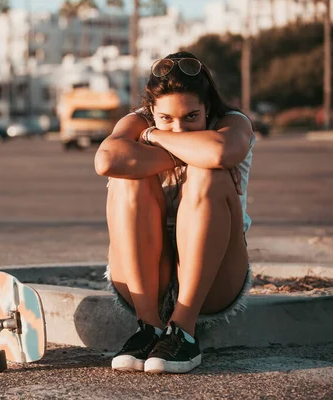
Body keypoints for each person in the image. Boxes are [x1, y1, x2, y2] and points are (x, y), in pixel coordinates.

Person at [94, 51, 255, 374]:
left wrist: (154, 139)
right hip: (144, 279)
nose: (178, 130)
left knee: (209, 173)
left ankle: (183, 330)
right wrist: (190, 152)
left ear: (208, 108)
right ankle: (149, 328)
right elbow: (106, 161)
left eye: (191, 117)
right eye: (165, 118)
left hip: (214, 280)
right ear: (151, 110)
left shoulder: (232, 123)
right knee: (128, 181)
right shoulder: (136, 121)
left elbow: (221, 151)